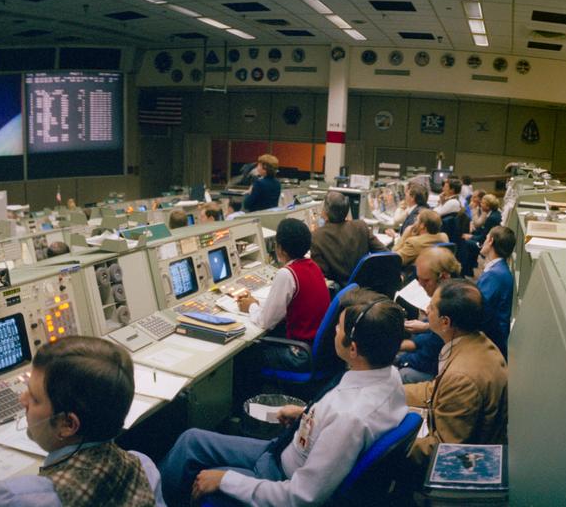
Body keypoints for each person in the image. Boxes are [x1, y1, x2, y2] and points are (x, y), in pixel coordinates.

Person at [159, 290, 407, 507]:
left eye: (339, 326)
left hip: (281, 477)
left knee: (205, 478)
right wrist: (307, 417)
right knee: (190, 440)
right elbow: (334, 430)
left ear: (353, 349)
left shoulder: (349, 419)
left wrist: (226, 480)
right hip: (284, 450)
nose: (334, 329)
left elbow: (299, 497)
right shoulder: (389, 376)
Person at [0, 337, 165, 506]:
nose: (22, 399)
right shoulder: (145, 468)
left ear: (68, 424)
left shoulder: (17, 498)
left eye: (35, 398)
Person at [403, 280, 508, 476]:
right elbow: (436, 389)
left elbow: (442, 450)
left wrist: (385, 444)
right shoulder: (476, 341)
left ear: (445, 322)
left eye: (432, 307)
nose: (426, 309)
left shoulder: (461, 378)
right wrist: (393, 391)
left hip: (464, 467)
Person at [235, 218, 331, 371]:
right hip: (316, 349)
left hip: (299, 354)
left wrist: (251, 306)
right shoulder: (313, 266)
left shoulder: (286, 274)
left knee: (243, 355)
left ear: (280, 248)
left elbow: (265, 322)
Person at [395, 247, 461, 384]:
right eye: (418, 279)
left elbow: (429, 356)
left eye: (425, 281)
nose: (420, 285)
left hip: (441, 369)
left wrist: (400, 360)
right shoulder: (455, 288)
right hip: (438, 355)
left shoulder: (449, 306)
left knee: (400, 375)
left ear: (443, 277)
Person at [310, 191, 386, 288]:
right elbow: (384, 253)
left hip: (342, 295)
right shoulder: (360, 226)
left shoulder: (317, 236)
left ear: (325, 212)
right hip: (367, 288)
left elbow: (321, 274)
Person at [477, 226, 515, 357]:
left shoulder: (495, 275)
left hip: (489, 344)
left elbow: (479, 308)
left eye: (486, 238)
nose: (484, 241)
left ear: (491, 241)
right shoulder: (500, 269)